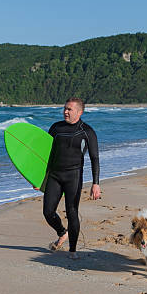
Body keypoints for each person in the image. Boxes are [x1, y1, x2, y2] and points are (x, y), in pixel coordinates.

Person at [38, 97, 101, 259]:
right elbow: (45, 154)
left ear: (79, 112)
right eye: (65, 108)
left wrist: (96, 184)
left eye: (69, 109)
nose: (65, 111)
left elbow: (94, 158)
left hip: (73, 176)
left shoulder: (87, 131)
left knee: (72, 212)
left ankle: (73, 250)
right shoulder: (56, 128)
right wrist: (38, 177)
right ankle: (62, 232)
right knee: (48, 211)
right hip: (54, 175)